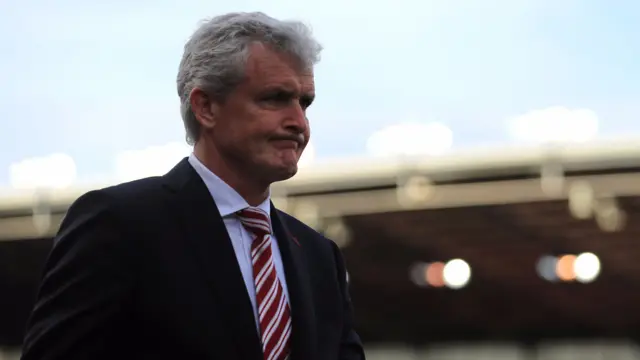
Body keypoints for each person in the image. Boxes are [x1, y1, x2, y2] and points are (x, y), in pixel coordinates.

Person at [20, 12, 365, 360]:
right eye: (275, 98)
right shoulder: (119, 225)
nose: (298, 122)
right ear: (206, 107)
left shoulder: (319, 256)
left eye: (304, 102)